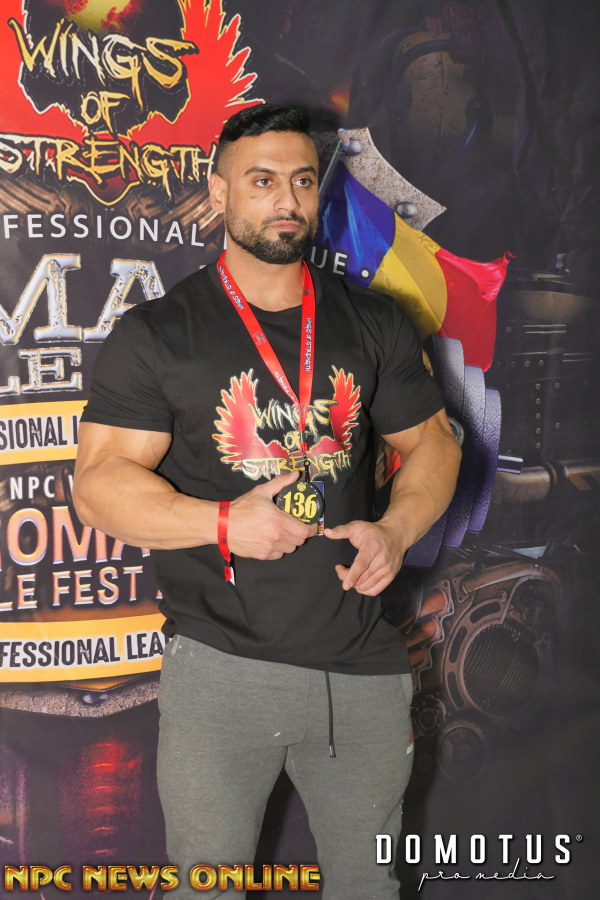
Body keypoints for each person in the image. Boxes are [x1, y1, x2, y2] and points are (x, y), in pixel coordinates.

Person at [73, 104, 461, 898]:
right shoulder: (160, 333)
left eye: (302, 181)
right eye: (261, 181)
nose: (286, 199)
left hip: (361, 668)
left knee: (369, 886)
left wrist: (396, 529)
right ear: (219, 194)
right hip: (223, 670)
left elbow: (435, 444)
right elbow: (99, 484)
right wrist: (221, 522)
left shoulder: (372, 321)